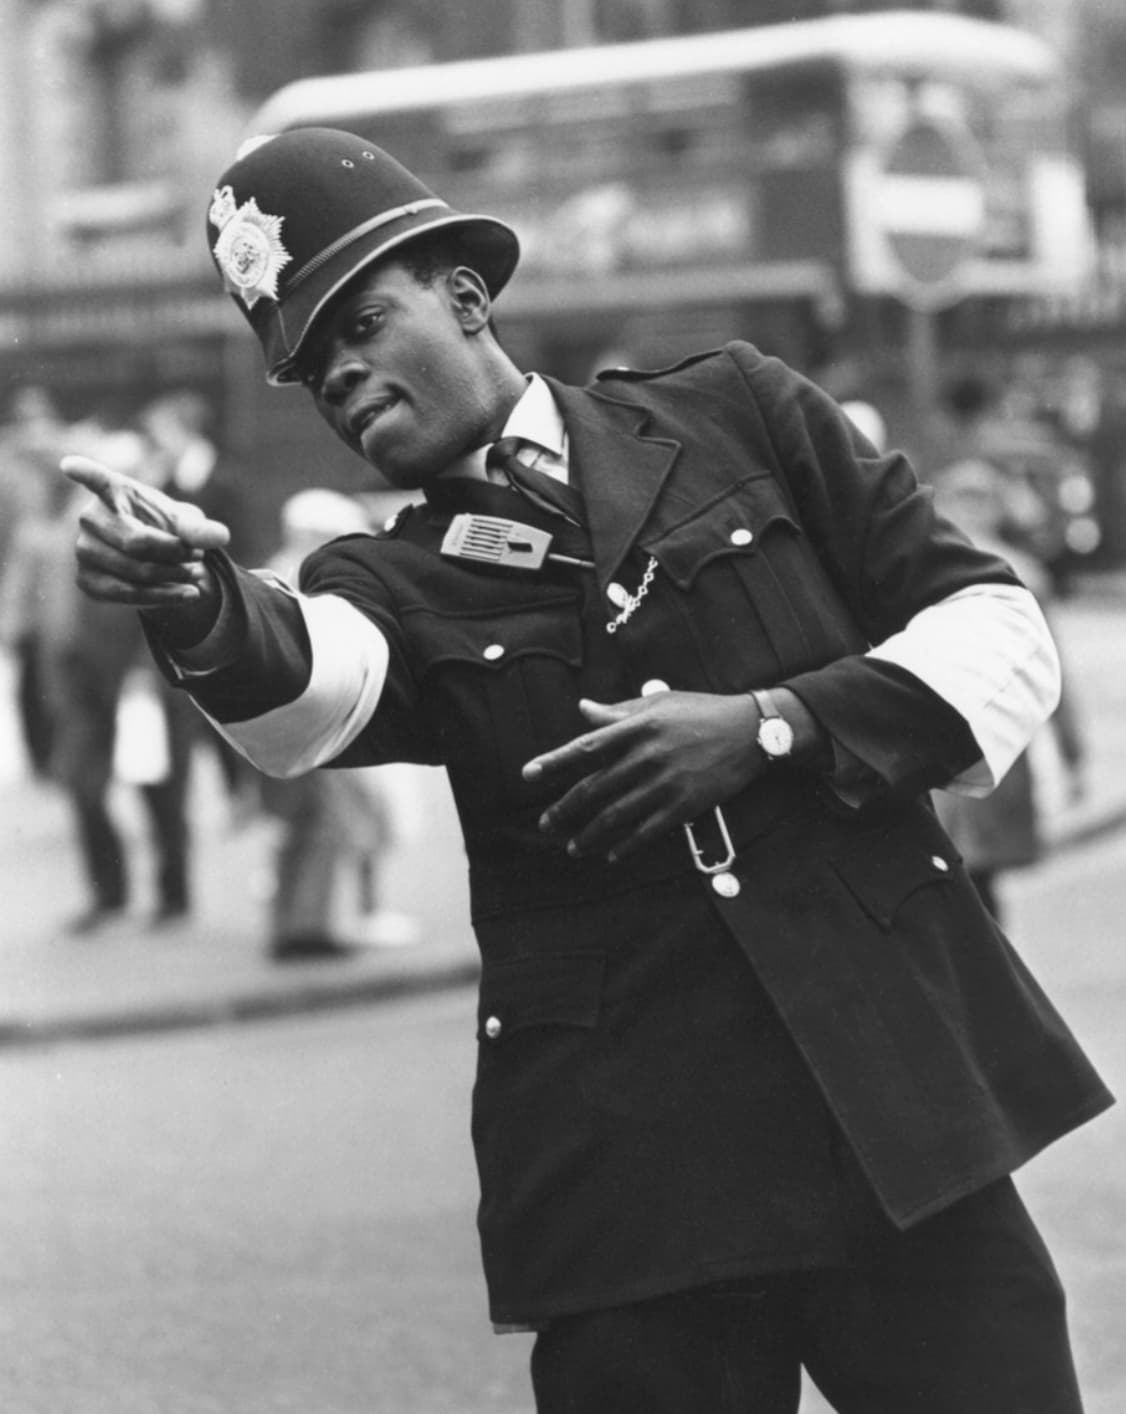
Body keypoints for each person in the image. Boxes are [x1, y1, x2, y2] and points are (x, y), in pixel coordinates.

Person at [66, 129, 1111, 1412]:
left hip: (889, 1116)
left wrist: (769, 722)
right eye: (307, 361)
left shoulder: (735, 409)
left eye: (360, 320)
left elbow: (997, 630)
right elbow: (306, 688)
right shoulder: (384, 575)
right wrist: (196, 603)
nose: (337, 371)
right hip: (635, 1187)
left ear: (464, 295)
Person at [930, 458, 1087, 925]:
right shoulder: (1018, 573)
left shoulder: (926, 569)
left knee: (966, 882)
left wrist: (1072, 753)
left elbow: (1050, 673)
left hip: (972, 747)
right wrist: (1072, 757)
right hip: (978, 745)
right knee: (973, 882)